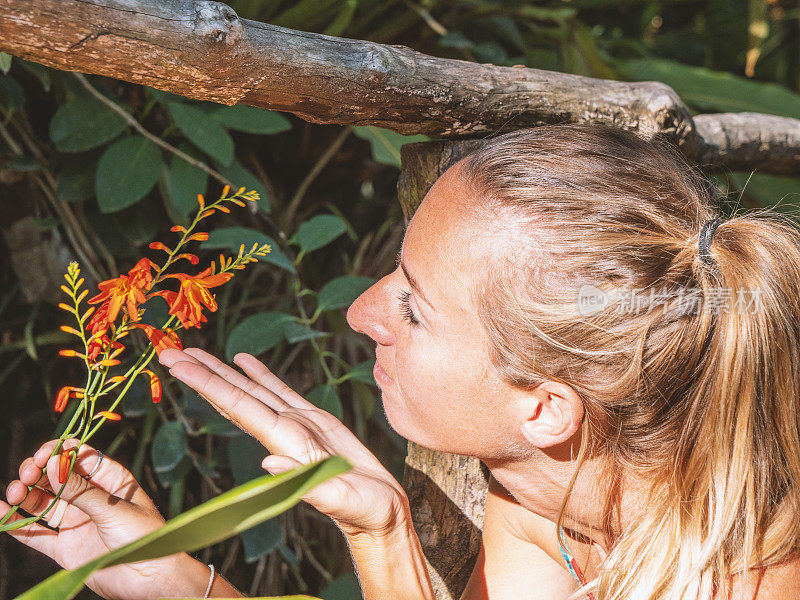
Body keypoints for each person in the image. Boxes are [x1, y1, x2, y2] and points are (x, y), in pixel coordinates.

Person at [4, 123, 800, 600]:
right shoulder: (545, 497)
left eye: (414, 307)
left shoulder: (754, 580)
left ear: (548, 406)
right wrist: (171, 581)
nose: (360, 313)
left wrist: (384, 539)